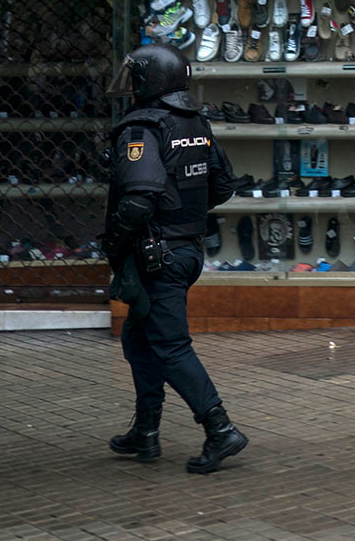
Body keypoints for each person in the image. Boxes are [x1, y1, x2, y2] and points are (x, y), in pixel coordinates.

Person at [103, 43, 247, 474]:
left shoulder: (143, 127)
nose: (129, 85)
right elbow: (223, 186)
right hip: (184, 251)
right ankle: (145, 431)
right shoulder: (195, 123)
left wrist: (115, 243)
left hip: (156, 256)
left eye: (135, 77)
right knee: (138, 340)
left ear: (149, 80)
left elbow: (138, 198)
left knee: (170, 347)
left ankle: (220, 429)